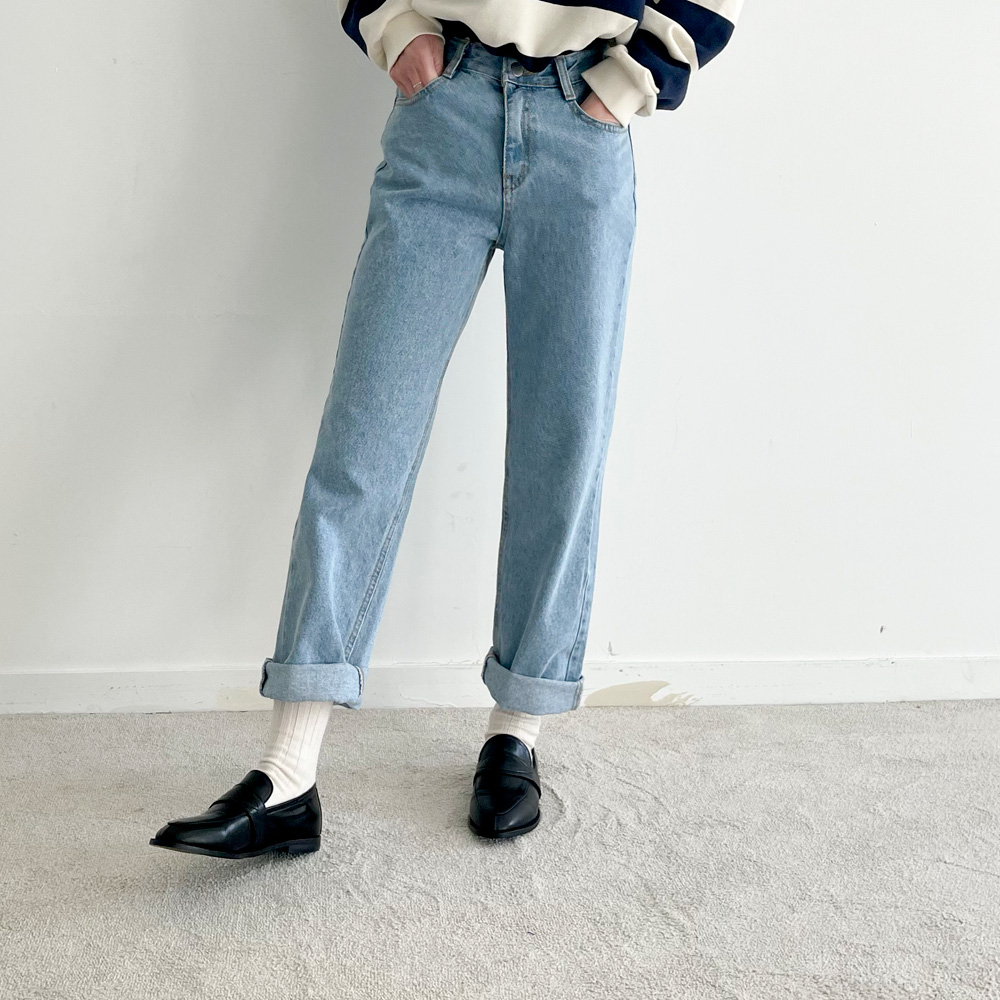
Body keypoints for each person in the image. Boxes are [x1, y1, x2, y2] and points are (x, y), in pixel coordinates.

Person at [150, 0, 743, 858]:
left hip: (583, 119)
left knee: (561, 446)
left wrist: (628, 81)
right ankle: (288, 772)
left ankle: (516, 731)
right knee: (363, 440)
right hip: (445, 106)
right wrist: (393, 24)